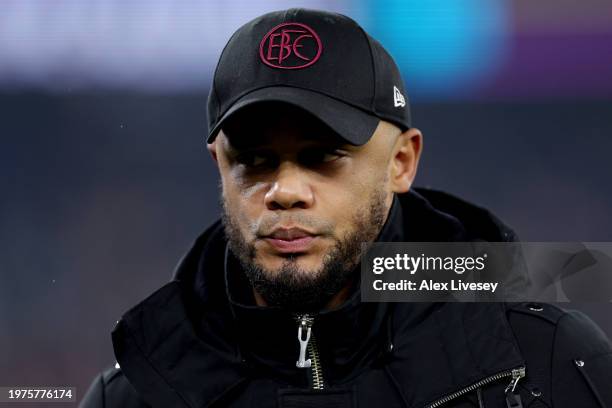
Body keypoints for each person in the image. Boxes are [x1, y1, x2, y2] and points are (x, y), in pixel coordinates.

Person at [81, 8, 612, 408]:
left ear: (402, 162)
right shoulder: (134, 393)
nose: (285, 190)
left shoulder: (545, 360)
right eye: (254, 160)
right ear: (219, 164)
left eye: (324, 158)